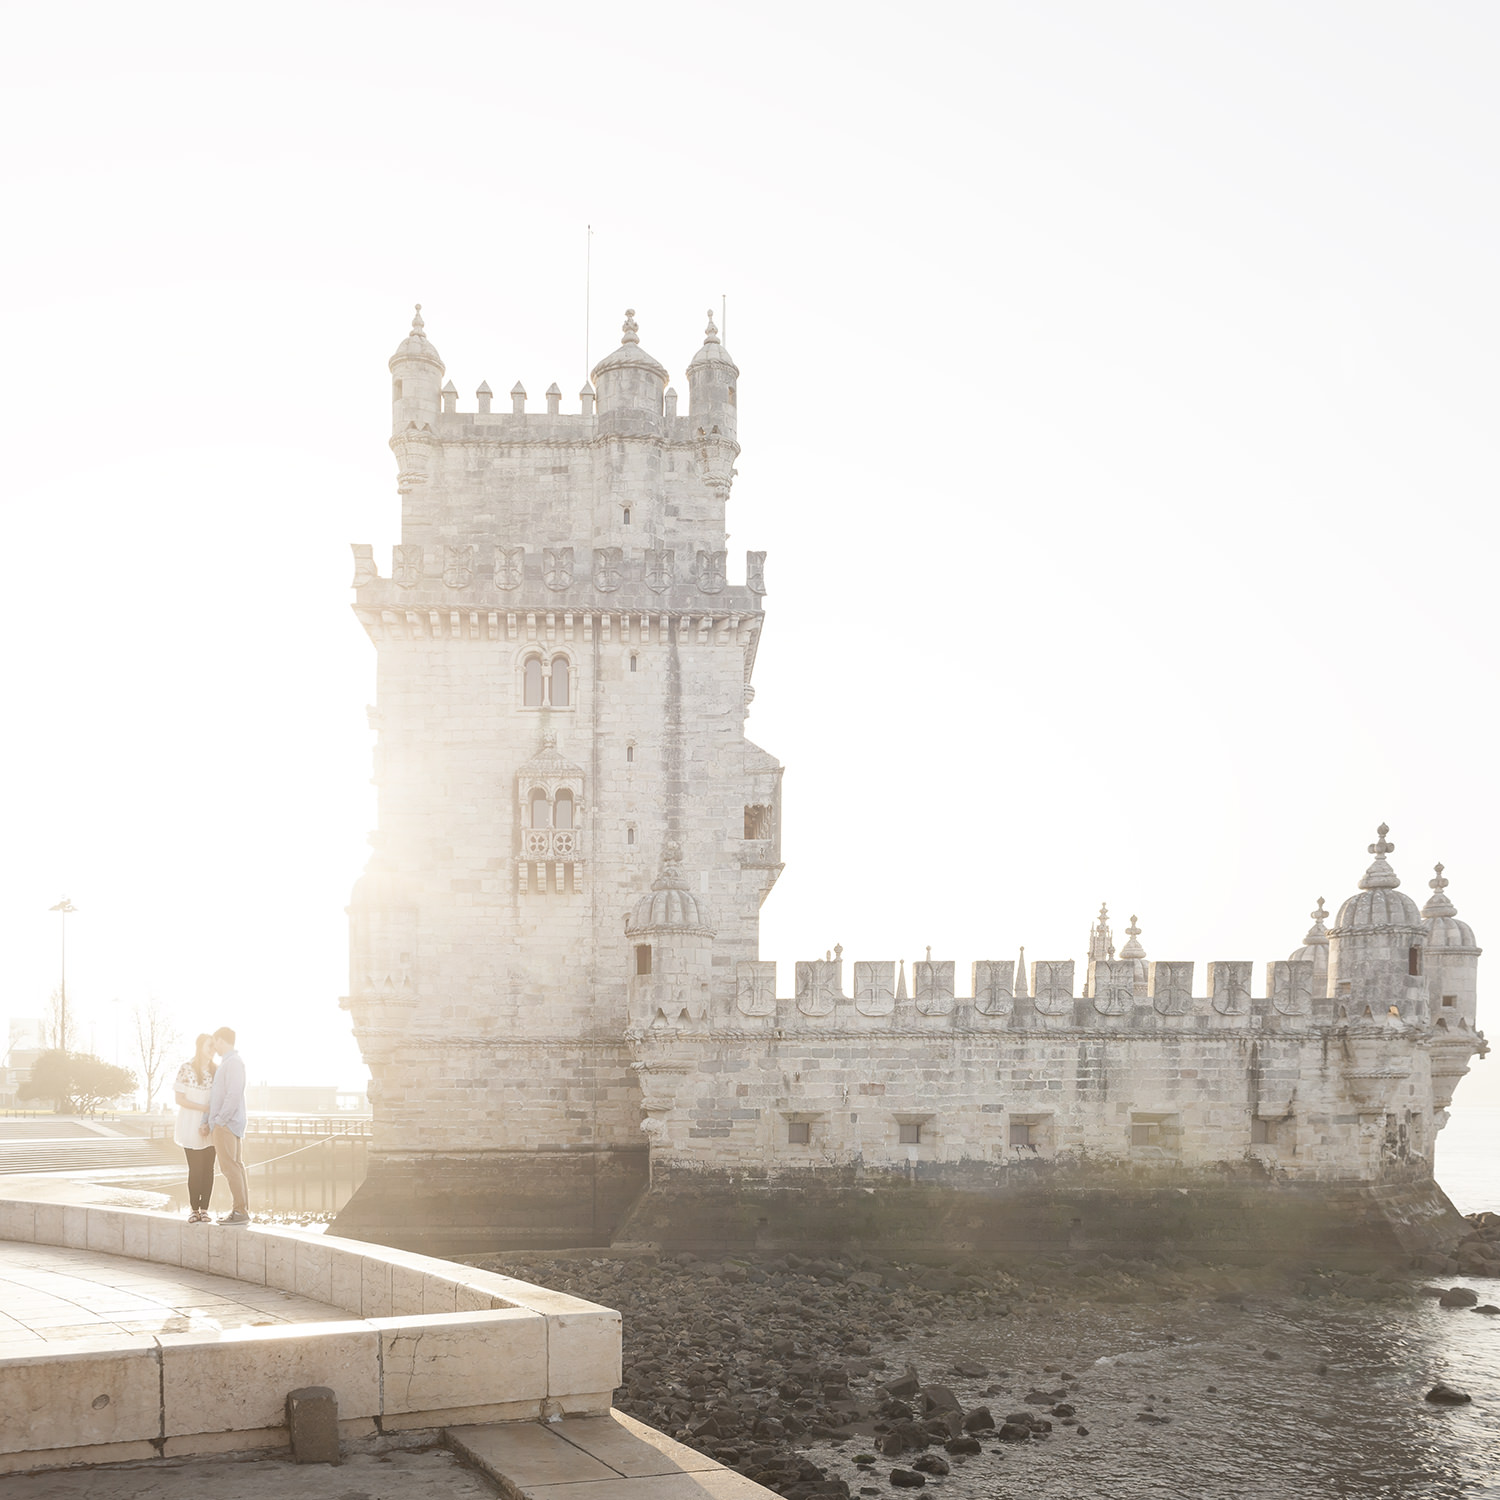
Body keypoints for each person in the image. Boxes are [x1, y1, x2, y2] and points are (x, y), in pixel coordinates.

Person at [205, 1026, 250, 1224]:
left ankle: (240, 1212)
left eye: (215, 1042)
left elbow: (233, 1094)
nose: (214, 1047)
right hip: (229, 1123)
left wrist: (219, 1121)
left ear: (221, 1041)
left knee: (230, 1168)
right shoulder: (231, 1062)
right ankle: (242, 1211)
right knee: (236, 1167)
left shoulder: (232, 1063)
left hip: (227, 1125)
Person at [172, 1034, 217, 1222]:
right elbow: (179, 1099)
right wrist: (202, 1109)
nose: (212, 1050)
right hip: (190, 1124)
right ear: (200, 1046)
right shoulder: (186, 1069)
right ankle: (194, 1209)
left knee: (209, 1169)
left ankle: (205, 1209)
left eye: (214, 1047)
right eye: (209, 1046)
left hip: (210, 1124)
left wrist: (208, 1118)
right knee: (195, 1169)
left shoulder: (217, 1071)